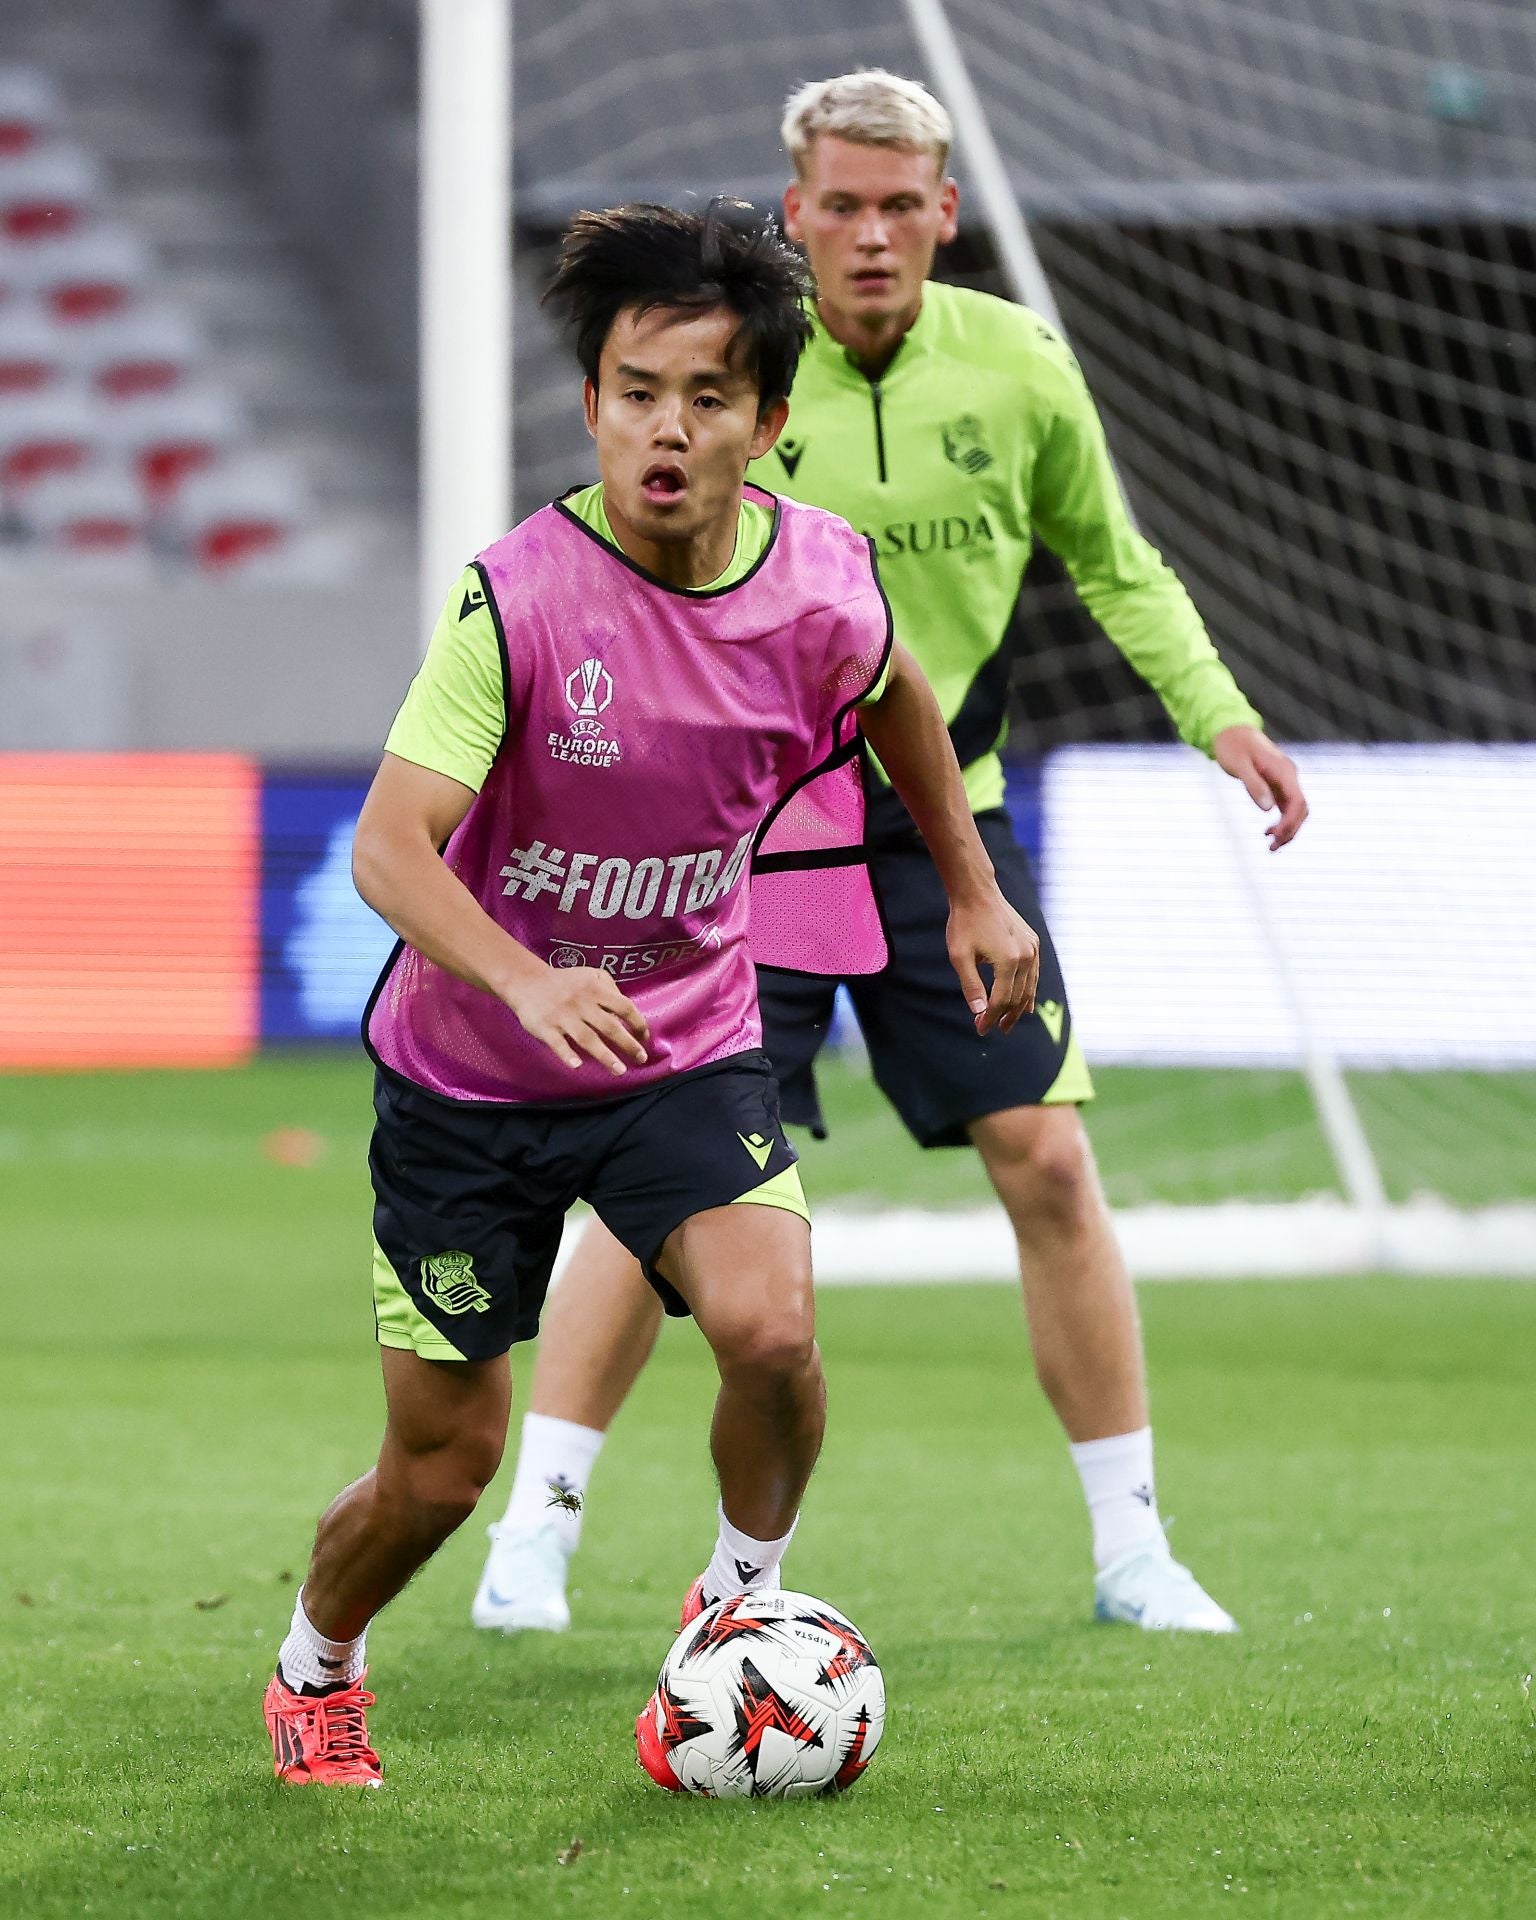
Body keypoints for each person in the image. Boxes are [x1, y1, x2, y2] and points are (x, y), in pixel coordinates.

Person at [473, 72, 1309, 1642]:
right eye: (839, 205)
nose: (870, 233)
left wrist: (1224, 718)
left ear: (944, 210)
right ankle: (537, 1532)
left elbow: (1115, 565)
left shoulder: (1019, 368)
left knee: (1051, 1160)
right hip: (742, 844)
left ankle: (1134, 1550)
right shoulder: (729, 374)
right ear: (794, 212)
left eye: (899, 204)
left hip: (947, 825)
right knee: (653, 1195)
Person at [261, 197, 1038, 1785]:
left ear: (767, 417)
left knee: (772, 1331)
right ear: (595, 403)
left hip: (679, 1045)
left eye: (703, 398)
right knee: (439, 1469)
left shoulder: (821, 588)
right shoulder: (521, 599)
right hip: (470, 1081)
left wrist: (970, 886)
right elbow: (393, 856)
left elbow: (899, 700)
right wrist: (527, 976)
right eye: (633, 393)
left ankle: (738, 1610)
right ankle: (317, 1660)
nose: (663, 431)